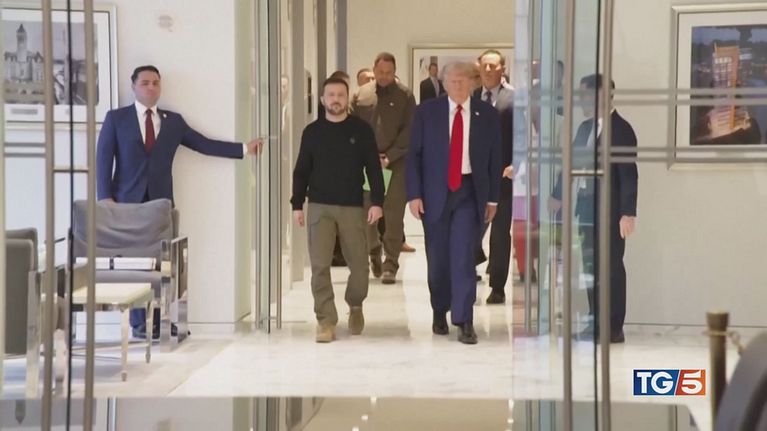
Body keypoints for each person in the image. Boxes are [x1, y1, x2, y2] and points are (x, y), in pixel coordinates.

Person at [96, 65, 263, 339]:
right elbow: (103, 158)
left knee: (163, 263)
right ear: (133, 86)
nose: (151, 87)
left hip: (161, 203)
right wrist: (105, 198)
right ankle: (140, 324)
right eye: (145, 83)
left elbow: (203, 144)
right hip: (126, 203)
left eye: (156, 83)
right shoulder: (117, 118)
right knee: (134, 263)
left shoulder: (173, 121)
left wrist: (244, 149)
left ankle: (160, 321)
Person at [406, 61, 502, 344]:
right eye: (452, 81)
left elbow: (495, 158)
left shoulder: (487, 114)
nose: (458, 85)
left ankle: (464, 318)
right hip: (434, 192)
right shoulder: (427, 112)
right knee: (438, 258)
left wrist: (493, 198)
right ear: (444, 84)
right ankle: (440, 308)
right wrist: (414, 194)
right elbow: (414, 156)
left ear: (472, 83)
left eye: (463, 80)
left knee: (463, 255)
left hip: (469, 191)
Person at [291, 77, 385, 343]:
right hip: (319, 206)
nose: (335, 99)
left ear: (347, 99)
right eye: (330, 95)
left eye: (340, 95)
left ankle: (355, 304)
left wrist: (377, 202)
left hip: (352, 206)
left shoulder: (361, 130)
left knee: (359, 265)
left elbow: (374, 169)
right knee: (320, 266)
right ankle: (325, 321)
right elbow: (301, 170)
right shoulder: (312, 132)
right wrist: (297, 205)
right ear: (323, 100)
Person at [550, 74, 638, 344]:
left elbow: (628, 174)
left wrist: (627, 213)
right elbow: (572, 164)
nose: (581, 101)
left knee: (611, 268)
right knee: (591, 267)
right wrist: (558, 195)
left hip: (610, 212)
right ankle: (595, 321)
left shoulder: (621, 129)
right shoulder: (585, 128)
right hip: (586, 209)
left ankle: (613, 327)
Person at [352, 52, 416, 284]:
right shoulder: (361, 95)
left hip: (396, 164)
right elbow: (351, 127)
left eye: (389, 73)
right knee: (367, 210)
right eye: (380, 72)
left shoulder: (405, 96)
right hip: (368, 164)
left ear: (395, 71)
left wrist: (389, 156)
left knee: (393, 214)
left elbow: (410, 130)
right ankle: (373, 250)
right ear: (374, 69)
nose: (384, 76)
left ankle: (391, 263)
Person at [473, 49, 516, 304]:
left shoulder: (514, 99)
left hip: (503, 177)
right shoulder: (471, 97)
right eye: (485, 66)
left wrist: (517, 164)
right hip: (473, 178)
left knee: (500, 233)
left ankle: (497, 286)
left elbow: (524, 136)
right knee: (470, 227)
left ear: (503, 69)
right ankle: (469, 270)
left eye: (494, 66)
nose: (489, 70)